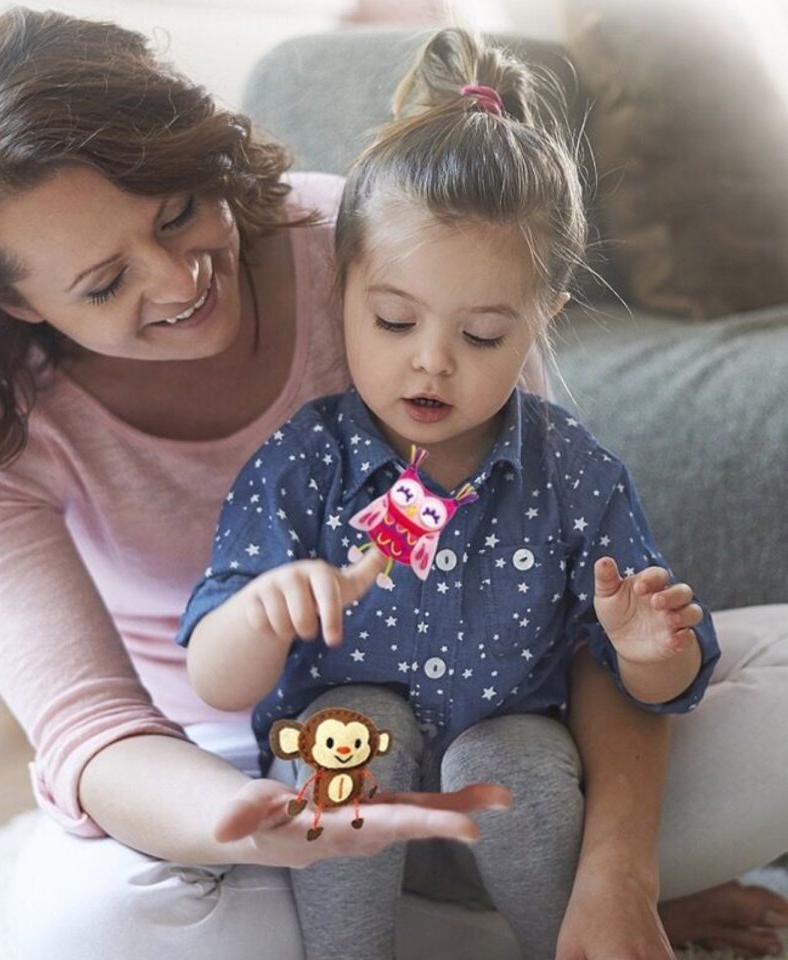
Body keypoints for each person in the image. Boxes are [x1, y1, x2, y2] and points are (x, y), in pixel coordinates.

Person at [0, 7, 787, 960]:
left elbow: (570, 592)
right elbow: (93, 732)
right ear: (16, 301)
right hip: (231, 760)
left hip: (510, 728)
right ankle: (463, 917)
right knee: (102, 925)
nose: (178, 281)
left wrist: (618, 875)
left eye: (176, 213)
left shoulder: (377, 249)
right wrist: (251, 817)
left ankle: (529, 903)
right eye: (104, 284)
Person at [175, 28, 722, 960]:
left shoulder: (571, 469)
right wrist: (263, 612)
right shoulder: (307, 462)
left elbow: (668, 681)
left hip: (506, 765)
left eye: (481, 334)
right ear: (341, 290)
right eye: (394, 320)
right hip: (347, 778)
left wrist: (649, 649)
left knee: (517, 761)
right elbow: (216, 677)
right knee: (354, 733)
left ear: (539, 321)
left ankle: (573, 945)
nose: (430, 360)